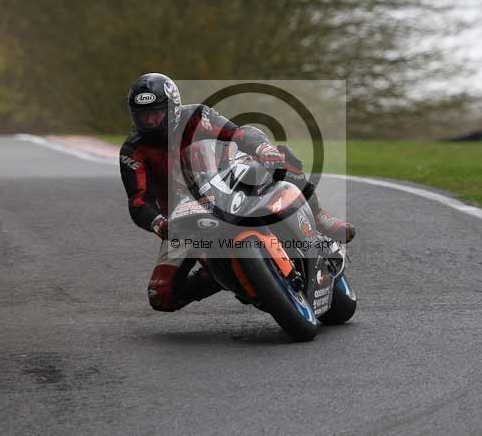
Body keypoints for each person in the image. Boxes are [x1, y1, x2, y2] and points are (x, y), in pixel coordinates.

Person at [119, 72, 355, 312]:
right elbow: (138, 201)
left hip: (226, 179)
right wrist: (159, 223)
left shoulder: (197, 116)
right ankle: (220, 275)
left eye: (157, 113)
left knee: (284, 160)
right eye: (144, 116)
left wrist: (263, 148)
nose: (151, 122)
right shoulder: (133, 150)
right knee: (161, 295)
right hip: (184, 216)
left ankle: (319, 218)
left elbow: (239, 134)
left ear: (173, 107)